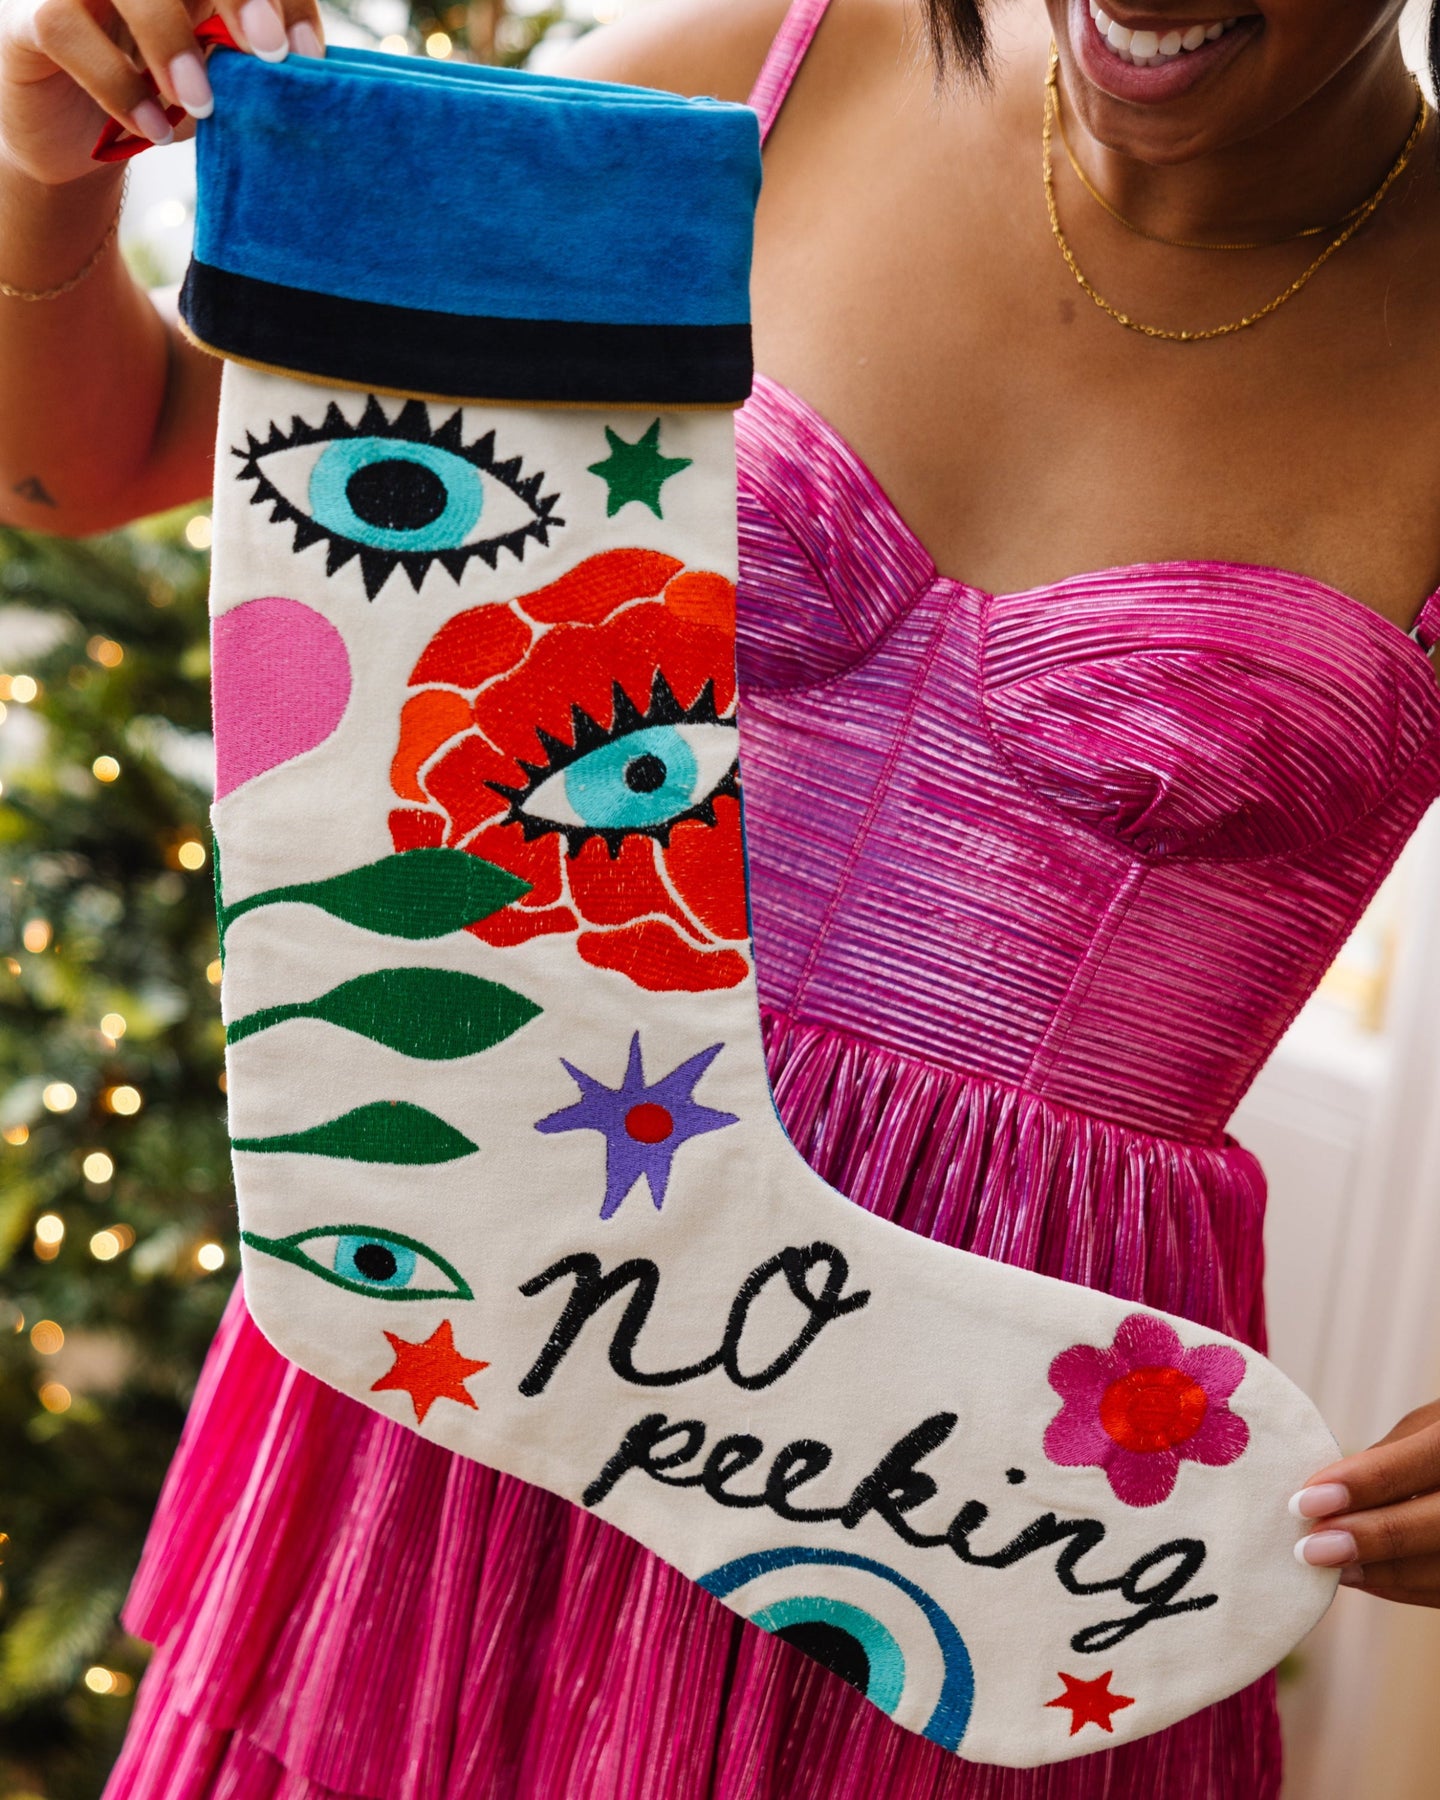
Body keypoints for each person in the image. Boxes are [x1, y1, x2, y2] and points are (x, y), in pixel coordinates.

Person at [5, 0, 1440, 1791]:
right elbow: (109, 452)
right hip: (495, 1289)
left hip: (992, 1493)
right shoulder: (752, 77)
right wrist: (38, 167)